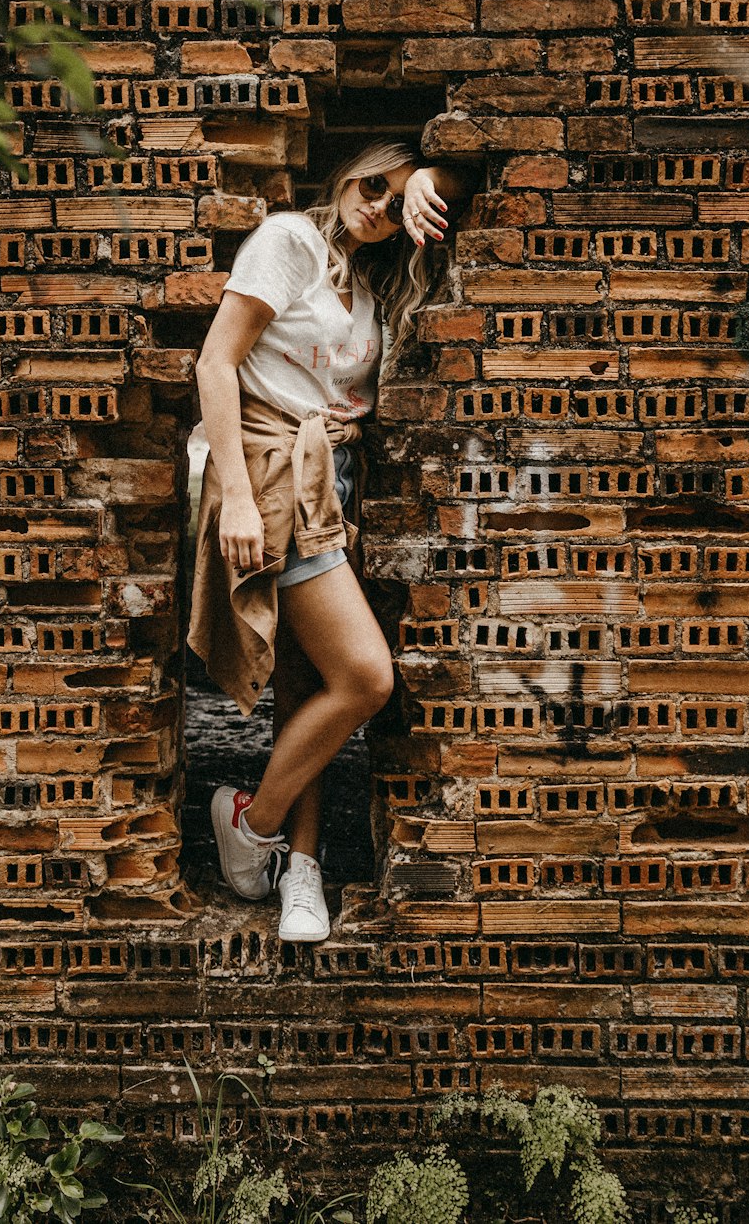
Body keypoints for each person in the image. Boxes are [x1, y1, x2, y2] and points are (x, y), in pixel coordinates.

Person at [187, 140, 464, 942]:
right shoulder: (289, 241)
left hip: (331, 482)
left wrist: (430, 185)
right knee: (367, 678)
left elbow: (468, 178)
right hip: (272, 481)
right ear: (349, 172)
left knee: (312, 690)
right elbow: (215, 363)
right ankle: (252, 819)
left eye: (397, 199)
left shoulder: (375, 288)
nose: (375, 205)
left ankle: (299, 873)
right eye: (372, 183)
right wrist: (235, 497)